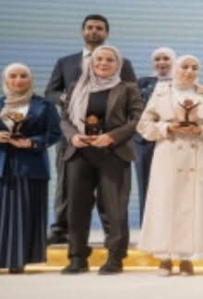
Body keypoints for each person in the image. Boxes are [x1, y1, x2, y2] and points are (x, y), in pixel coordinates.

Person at [138, 55, 203, 276]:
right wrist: (166, 128)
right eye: (185, 66)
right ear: (175, 68)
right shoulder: (161, 93)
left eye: (194, 67)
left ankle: (187, 258)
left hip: (197, 154)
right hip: (168, 153)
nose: (189, 71)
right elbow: (144, 124)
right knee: (165, 204)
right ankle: (164, 258)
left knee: (193, 205)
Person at [44, 14, 137, 245]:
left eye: (99, 28)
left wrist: (114, 135)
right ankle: (61, 229)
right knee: (67, 186)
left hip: (110, 141)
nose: (94, 31)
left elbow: (131, 96)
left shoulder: (122, 63)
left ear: (107, 33)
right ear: (82, 31)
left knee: (110, 193)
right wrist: (70, 98)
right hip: (74, 136)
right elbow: (50, 92)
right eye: (90, 27)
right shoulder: (66, 62)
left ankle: (111, 235)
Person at [59, 45, 143, 274]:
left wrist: (112, 137)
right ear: (91, 63)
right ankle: (77, 258)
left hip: (113, 153)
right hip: (79, 153)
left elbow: (138, 120)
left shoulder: (127, 89)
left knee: (114, 208)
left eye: (109, 60)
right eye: (99, 59)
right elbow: (65, 119)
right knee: (76, 207)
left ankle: (115, 257)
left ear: (118, 64)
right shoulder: (76, 87)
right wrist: (73, 136)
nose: (103, 63)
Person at [0, 63, 62, 274]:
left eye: (23, 76)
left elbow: (55, 133)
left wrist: (32, 142)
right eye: (13, 76)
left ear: (30, 79)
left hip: (30, 167)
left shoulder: (44, 106)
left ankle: (17, 260)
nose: (18, 80)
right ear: (5, 79)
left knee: (23, 216)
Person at [135, 47, 176, 224]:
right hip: (144, 141)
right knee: (145, 184)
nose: (161, 62)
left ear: (174, 61)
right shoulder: (142, 83)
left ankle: (171, 227)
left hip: (172, 140)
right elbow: (133, 111)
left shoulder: (182, 83)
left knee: (172, 185)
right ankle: (147, 227)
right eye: (157, 59)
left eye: (166, 58)